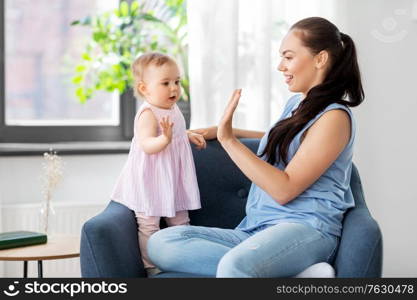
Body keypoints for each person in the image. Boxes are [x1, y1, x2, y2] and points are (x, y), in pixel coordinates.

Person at [147, 16, 365, 278]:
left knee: (234, 267)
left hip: (306, 229)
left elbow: (284, 189)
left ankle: (262, 267)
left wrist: (229, 140)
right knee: (161, 244)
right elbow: (280, 139)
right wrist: (224, 130)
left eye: (288, 57)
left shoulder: (335, 118)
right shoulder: (297, 104)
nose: (280, 66)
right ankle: (287, 272)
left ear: (320, 59)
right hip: (255, 230)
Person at [110, 52, 206, 276]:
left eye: (177, 81)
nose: (174, 88)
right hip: (152, 178)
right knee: (149, 224)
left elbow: (176, 133)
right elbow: (146, 144)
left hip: (173, 178)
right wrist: (164, 139)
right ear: (144, 89)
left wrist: (187, 135)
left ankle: (184, 259)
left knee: (181, 221)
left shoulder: (172, 109)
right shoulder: (147, 114)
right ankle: (151, 265)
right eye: (165, 83)